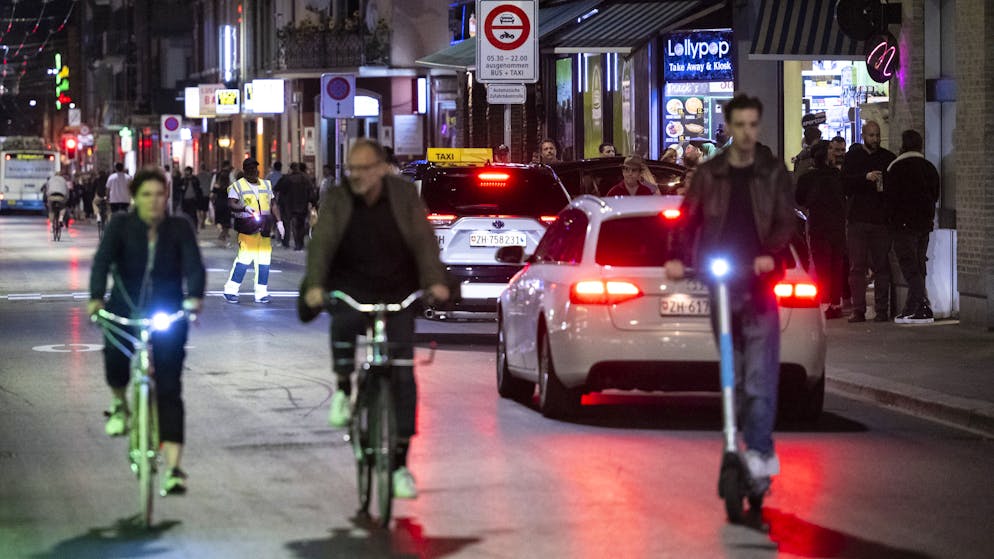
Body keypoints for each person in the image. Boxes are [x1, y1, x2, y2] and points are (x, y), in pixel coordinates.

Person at [300, 139, 449, 500]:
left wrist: (435, 282)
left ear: (382, 168)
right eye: (352, 169)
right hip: (352, 285)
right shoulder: (339, 198)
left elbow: (424, 241)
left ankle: (399, 466)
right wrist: (316, 286)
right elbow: (323, 243)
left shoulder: (404, 195)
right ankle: (342, 388)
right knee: (344, 321)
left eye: (364, 169)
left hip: (398, 289)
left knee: (403, 375)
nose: (357, 176)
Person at [665, 94, 795, 498]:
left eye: (752, 125)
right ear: (729, 128)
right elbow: (687, 218)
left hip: (759, 287)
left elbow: (786, 220)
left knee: (759, 379)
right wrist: (676, 256)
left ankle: (759, 454)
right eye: (739, 125)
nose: (746, 132)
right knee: (733, 378)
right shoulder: (710, 175)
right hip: (722, 287)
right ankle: (733, 444)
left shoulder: (772, 173)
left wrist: (770, 253)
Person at [87, 166, 205, 495]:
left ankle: (174, 469)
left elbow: (194, 266)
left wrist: (194, 298)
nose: (153, 201)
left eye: (159, 194)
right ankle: (119, 403)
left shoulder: (179, 227)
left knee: (169, 388)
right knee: (114, 355)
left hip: (169, 312)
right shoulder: (120, 226)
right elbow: (101, 262)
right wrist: (95, 298)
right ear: (134, 197)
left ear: (167, 196)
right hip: (123, 308)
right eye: (146, 195)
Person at [842, 120, 896, 322]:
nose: (875, 139)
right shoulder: (853, 157)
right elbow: (845, 184)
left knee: (882, 265)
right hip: (857, 219)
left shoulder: (887, 158)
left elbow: (894, 187)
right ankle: (858, 309)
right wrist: (865, 178)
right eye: (871, 135)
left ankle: (882, 309)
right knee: (857, 266)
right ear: (863, 135)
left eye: (877, 135)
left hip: (880, 220)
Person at [885, 129, 940, 324]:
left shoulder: (896, 168)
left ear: (903, 145)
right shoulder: (929, 167)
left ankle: (922, 306)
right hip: (924, 224)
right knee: (919, 264)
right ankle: (912, 307)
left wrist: (891, 220)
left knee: (909, 266)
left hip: (903, 225)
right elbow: (935, 195)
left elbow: (890, 199)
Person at [795, 141, 846, 319]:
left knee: (823, 265)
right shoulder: (837, 175)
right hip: (836, 225)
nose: (834, 153)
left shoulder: (808, 177)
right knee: (836, 264)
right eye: (831, 149)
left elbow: (799, 199)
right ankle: (835, 302)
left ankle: (825, 303)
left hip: (819, 225)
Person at [223, 158, 284, 304]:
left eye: (255, 169)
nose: (253, 172)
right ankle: (230, 290)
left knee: (264, 261)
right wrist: (244, 208)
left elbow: (273, 204)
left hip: (265, 228)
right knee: (244, 260)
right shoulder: (237, 186)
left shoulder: (266, 184)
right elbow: (231, 203)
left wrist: (279, 222)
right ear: (245, 171)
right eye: (250, 169)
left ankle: (261, 293)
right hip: (247, 228)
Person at [211, 161, 233, 243]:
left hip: (219, 202)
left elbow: (213, 192)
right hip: (227, 202)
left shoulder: (217, 178)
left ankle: (222, 233)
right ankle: (224, 233)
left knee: (219, 219)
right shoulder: (230, 177)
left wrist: (212, 201)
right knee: (226, 220)